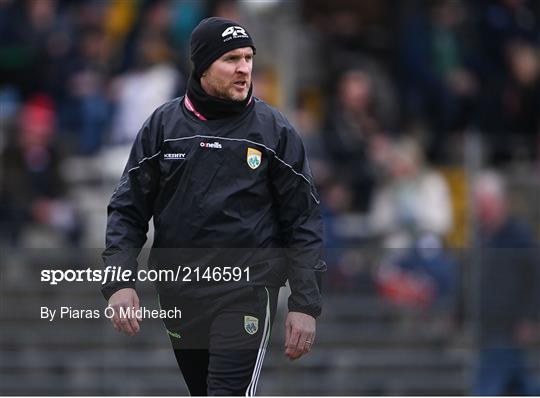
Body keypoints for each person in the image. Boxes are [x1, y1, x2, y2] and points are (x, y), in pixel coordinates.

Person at [101, 17, 325, 396]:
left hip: (247, 289)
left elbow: (303, 221)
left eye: (248, 58)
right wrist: (119, 281)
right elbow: (128, 209)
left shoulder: (276, 132)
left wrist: (306, 304)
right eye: (231, 59)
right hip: (180, 291)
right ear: (203, 66)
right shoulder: (163, 127)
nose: (244, 69)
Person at [472, 171, 540, 395]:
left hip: (509, 325)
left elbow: (534, 279)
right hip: (488, 325)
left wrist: (529, 316)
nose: (479, 209)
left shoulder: (518, 237)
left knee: (488, 387)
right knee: (519, 385)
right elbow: (471, 278)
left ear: (498, 202)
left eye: (483, 203)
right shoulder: (481, 237)